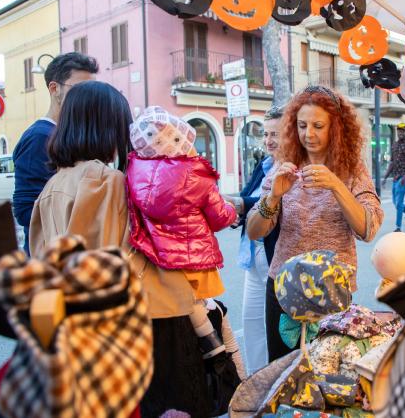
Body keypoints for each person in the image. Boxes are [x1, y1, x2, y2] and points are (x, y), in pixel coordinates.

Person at [28, 82, 214, 418]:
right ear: (108, 126)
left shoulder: (53, 185)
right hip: (147, 322)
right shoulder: (109, 181)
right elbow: (134, 252)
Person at [246, 86, 384, 362]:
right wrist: (273, 196)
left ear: (336, 128)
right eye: (302, 125)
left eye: (318, 126)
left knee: (328, 379)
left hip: (331, 293)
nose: (308, 134)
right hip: (283, 292)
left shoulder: (352, 170)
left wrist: (336, 185)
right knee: (283, 375)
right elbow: (255, 231)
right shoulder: (283, 167)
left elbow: (368, 229)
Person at [126, 106, 240, 370]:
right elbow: (220, 217)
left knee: (183, 317)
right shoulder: (194, 173)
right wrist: (235, 211)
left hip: (160, 260)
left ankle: (205, 341)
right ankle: (220, 353)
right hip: (194, 259)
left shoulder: (135, 170)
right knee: (209, 311)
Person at [12, 52, 98, 255]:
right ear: (54, 88)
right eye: (79, 89)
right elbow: (26, 211)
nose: (87, 97)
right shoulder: (39, 137)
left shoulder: (66, 135)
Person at [226, 106, 283, 374]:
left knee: (276, 331)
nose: (269, 140)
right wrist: (233, 211)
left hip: (276, 258)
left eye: (276, 134)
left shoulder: (292, 169)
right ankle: (257, 383)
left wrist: (239, 204)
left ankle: (276, 386)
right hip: (253, 254)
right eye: (266, 133)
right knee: (251, 325)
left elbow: (264, 204)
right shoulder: (264, 164)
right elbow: (248, 196)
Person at [382, 123, 405, 231]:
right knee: (396, 203)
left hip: (404, 179)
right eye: (399, 131)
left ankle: (398, 227)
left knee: (399, 203)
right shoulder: (394, 145)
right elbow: (392, 162)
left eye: (403, 131)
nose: (400, 133)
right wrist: (385, 177)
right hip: (395, 178)